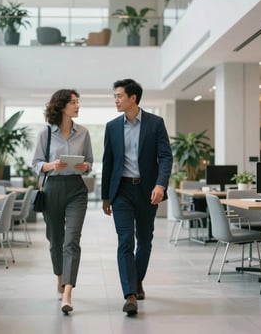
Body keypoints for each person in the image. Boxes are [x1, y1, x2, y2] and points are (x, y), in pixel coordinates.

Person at [101, 79, 172, 316]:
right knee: (125, 241)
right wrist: (105, 196)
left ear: (133, 98)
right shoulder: (112, 127)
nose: (116, 100)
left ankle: (136, 279)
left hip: (147, 190)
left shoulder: (155, 123)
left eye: (119, 96)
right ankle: (130, 294)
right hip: (121, 191)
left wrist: (161, 184)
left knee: (145, 240)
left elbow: (165, 157)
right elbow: (108, 162)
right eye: (115, 96)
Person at [32, 89, 93, 315]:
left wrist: (84, 166)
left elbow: (90, 163)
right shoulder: (45, 134)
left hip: (77, 189)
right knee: (55, 239)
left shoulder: (84, 133)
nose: (77, 106)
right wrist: (51, 165)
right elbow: (36, 163)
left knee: (72, 240)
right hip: (53, 189)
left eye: (78, 102)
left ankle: (68, 291)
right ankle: (60, 276)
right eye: (73, 102)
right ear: (61, 106)